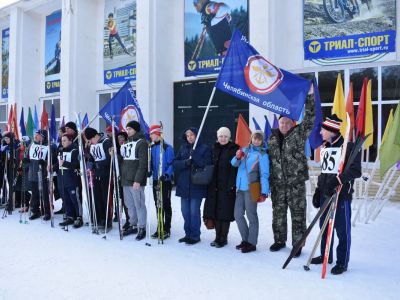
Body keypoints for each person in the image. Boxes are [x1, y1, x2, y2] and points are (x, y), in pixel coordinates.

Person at [311, 114, 361, 275]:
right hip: (326, 194)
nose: (320, 133)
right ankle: (326, 255)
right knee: (324, 227)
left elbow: (356, 171)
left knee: (342, 230)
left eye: (323, 130)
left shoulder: (349, 146)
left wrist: (338, 179)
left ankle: (342, 262)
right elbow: (324, 171)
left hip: (341, 195)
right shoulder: (326, 146)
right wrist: (319, 189)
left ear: (331, 131)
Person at [267, 85, 315, 256]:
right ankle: (279, 241)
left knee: (298, 216)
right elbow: (266, 160)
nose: (285, 125)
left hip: (295, 185)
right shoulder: (271, 139)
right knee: (278, 215)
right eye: (282, 122)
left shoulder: (299, 134)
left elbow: (310, 117)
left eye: (288, 122)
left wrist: (309, 95)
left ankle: (297, 245)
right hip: (278, 185)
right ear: (278, 123)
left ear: (292, 123)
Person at [231, 130, 269, 253]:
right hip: (240, 188)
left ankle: (251, 243)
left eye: (259, 139)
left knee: (251, 216)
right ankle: (245, 239)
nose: (256, 141)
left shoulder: (262, 155)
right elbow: (234, 164)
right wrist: (237, 157)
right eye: (255, 138)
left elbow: (264, 174)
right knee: (237, 214)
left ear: (262, 141)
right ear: (251, 138)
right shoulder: (245, 150)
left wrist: (264, 192)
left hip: (252, 188)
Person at [174, 127, 212, 245]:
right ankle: (188, 234)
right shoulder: (183, 148)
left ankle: (195, 236)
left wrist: (195, 156)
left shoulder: (205, 148)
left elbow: (206, 164)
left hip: (197, 185)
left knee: (194, 211)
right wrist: (185, 162)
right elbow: (175, 163)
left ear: (196, 135)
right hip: (184, 184)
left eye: (192, 135)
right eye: (187, 135)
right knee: (185, 211)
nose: (189, 137)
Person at [203, 127, 238, 248]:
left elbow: (235, 168)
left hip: (227, 185)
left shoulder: (234, 149)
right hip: (214, 185)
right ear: (217, 137)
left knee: (225, 212)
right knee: (216, 211)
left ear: (229, 138)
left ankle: (223, 238)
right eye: (221, 136)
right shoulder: (213, 148)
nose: (223, 139)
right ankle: (217, 236)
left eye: (225, 136)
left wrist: (232, 185)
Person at [119, 121, 148, 241]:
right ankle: (133, 224)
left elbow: (143, 164)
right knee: (129, 205)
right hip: (126, 180)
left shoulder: (142, 143)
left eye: (130, 129)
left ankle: (142, 227)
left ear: (136, 129)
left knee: (139, 204)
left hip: (135, 180)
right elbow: (124, 160)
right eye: (127, 129)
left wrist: (138, 180)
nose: (128, 131)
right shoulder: (127, 143)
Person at [149, 124, 174, 240]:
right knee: (157, 204)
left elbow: (171, 164)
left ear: (158, 134)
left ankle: (166, 228)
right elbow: (151, 163)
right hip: (156, 180)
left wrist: (167, 174)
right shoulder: (152, 148)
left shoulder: (167, 148)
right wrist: (149, 171)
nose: (150, 136)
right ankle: (159, 226)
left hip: (165, 181)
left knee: (165, 204)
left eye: (152, 134)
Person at [85, 127, 113, 230]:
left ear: (95, 136)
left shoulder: (106, 142)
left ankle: (107, 220)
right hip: (96, 174)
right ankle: (99, 218)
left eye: (91, 139)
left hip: (105, 174)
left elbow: (110, 159)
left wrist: (97, 164)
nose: (91, 142)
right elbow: (92, 157)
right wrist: (89, 164)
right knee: (97, 197)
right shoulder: (93, 144)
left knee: (105, 197)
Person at [24, 130, 54, 221]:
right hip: (32, 173)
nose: (35, 137)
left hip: (43, 174)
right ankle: (35, 211)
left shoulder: (47, 147)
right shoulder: (31, 145)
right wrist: (26, 161)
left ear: (43, 137)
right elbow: (28, 156)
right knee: (35, 193)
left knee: (44, 194)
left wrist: (44, 162)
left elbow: (51, 161)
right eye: (35, 135)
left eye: (38, 135)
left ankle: (47, 212)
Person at [56, 133, 83, 228]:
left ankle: (79, 217)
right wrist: (52, 167)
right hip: (62, 179)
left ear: (70, 141)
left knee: (75, 199)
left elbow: (77, 165)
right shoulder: (60, 150)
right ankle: (70, 216)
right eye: (61, 141)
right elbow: (58, 164)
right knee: (66, 199)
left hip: (72, 179)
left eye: (64, 140)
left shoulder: (75, 150)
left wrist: (65, 163)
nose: (62, 143)